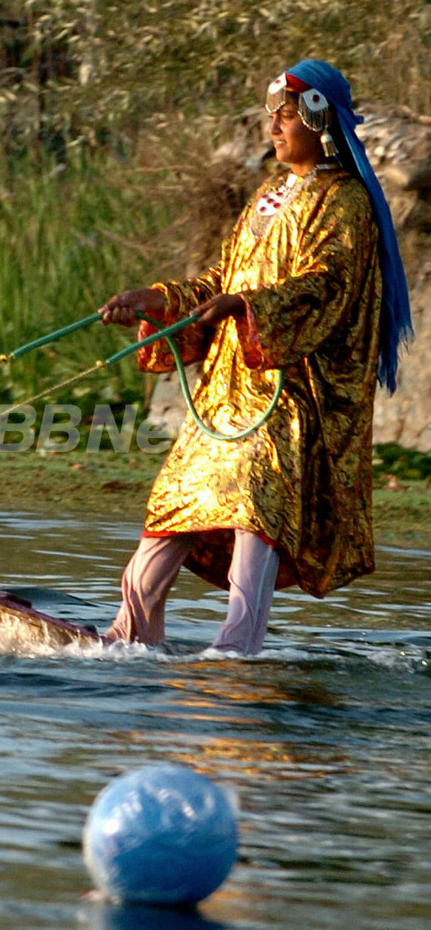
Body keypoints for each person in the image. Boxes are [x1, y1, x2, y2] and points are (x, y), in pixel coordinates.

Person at [99, 59, 412, 654]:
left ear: (319, 121)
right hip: (225, 392)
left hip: (286, 394)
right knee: (175, 504)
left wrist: (246, 306)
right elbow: (220, 279)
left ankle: (237, 646)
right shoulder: (269, 195)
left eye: (287, 115)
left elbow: (326, 287)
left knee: (255, 507)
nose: (275, 127)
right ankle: (129, 632)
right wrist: (157, 301)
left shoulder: (345, 203)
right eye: (274, 115)